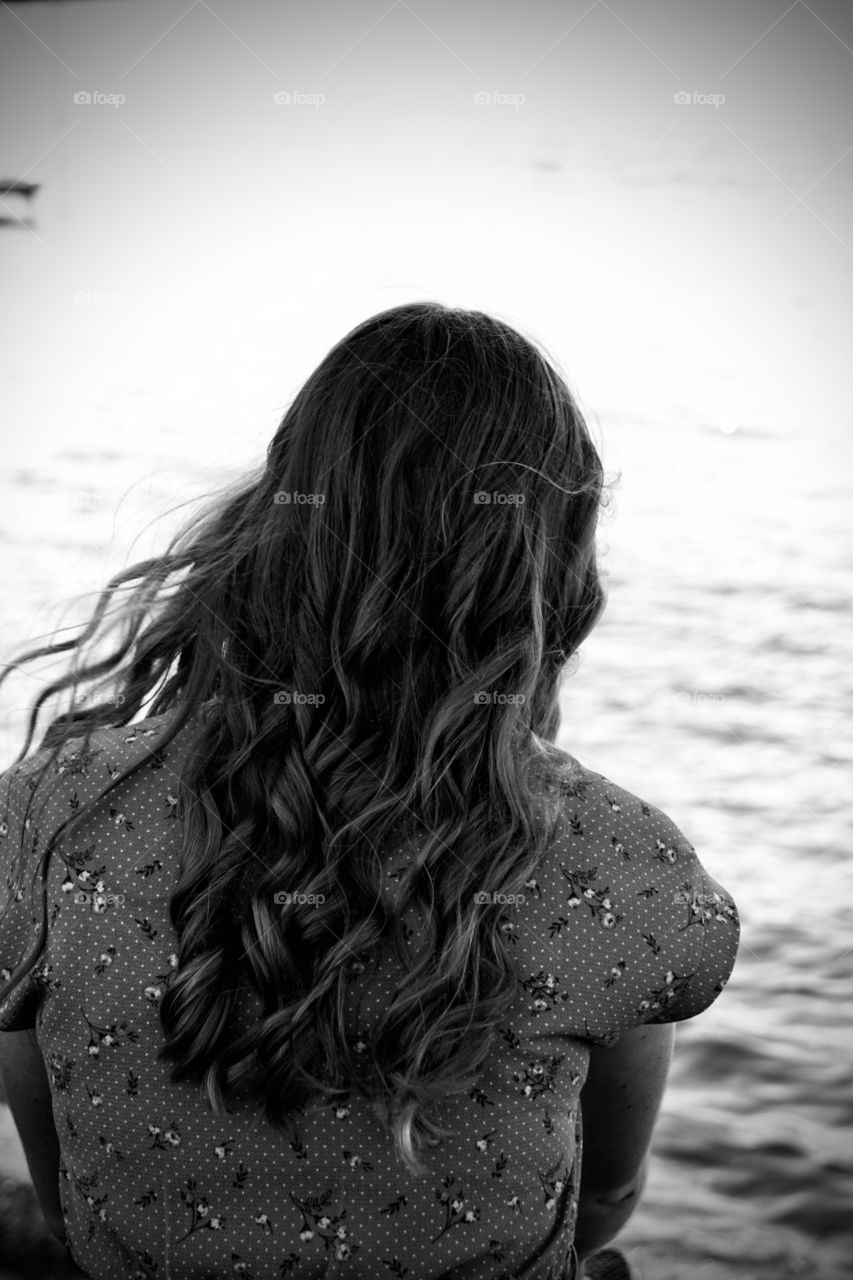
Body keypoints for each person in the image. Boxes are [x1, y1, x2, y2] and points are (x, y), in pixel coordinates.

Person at [0, 301, 739, 1279]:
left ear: (278, 521)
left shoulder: (56, 815)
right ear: (549, 567)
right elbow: (601, 1200)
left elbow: (61, 1197)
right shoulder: (622, 862)